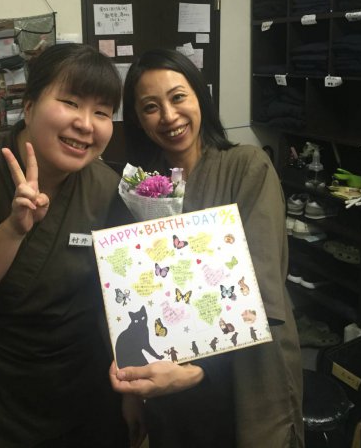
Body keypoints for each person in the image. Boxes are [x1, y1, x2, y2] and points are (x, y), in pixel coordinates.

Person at [0, 44, 145, 448]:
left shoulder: (107, 187)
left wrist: (131, 392)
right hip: (3, 394)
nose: (86, 124)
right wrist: (13, 229)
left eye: (102, 112)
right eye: (70, 102)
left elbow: (120, 300)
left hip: (89, 387)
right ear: (29, 106)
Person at [109, 48, 304, 447]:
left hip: (246, 368)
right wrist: (131, 389)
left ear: (200, 97)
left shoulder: (247, 166)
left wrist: (197, 370)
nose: (169, 116)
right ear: (139, 120)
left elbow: (262, 283)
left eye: (178, 97)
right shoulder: (142, 187)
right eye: (150, 107)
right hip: (165, 374)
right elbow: (129, 286)